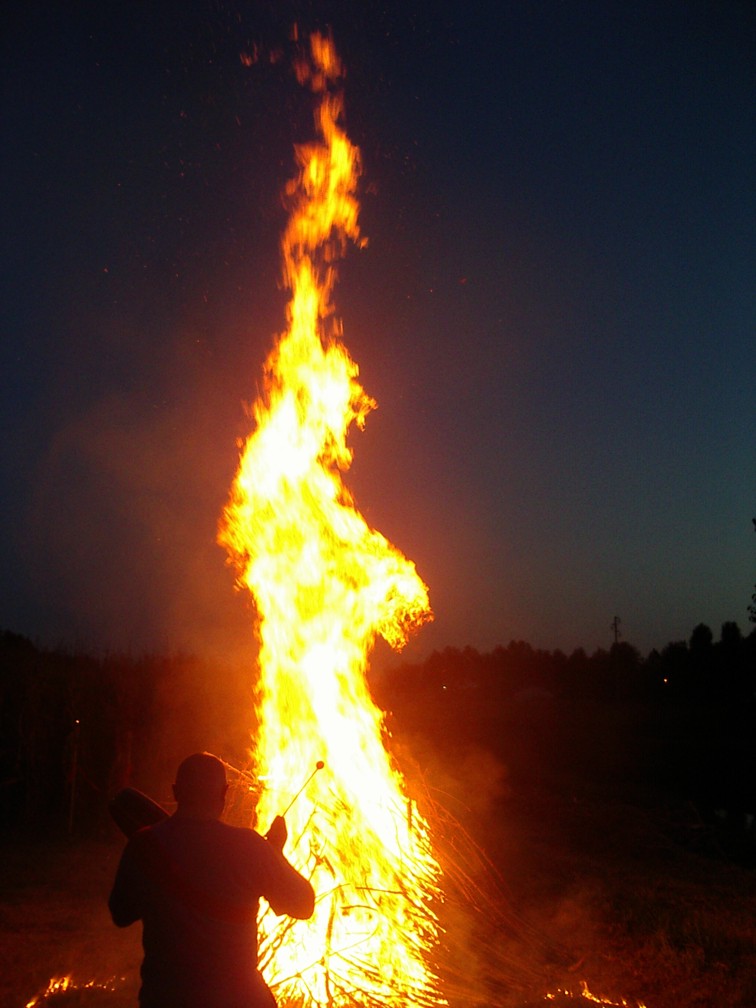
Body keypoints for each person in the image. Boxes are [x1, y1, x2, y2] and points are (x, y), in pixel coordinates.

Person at [109, 752, 315, 1008]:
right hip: (236, 999)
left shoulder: (144, 845)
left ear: (175, 792)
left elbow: (120, 914)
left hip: (166, 997)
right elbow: (304, 905)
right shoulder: (250, 847)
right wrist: (275, 853)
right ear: (224, 793)